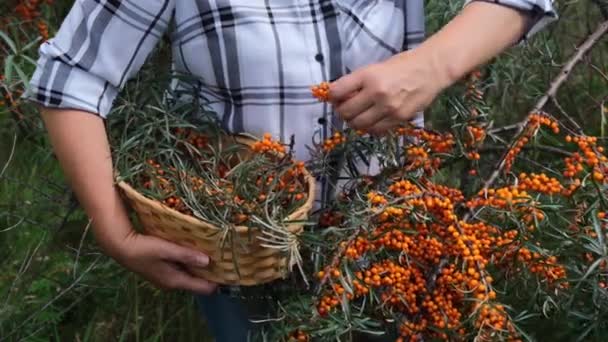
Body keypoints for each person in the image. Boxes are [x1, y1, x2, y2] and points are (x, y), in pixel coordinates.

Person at [24, 0, 557, 340]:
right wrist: (115, 233)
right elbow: (72, 75)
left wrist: (431, 65)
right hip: (245, 263)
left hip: (390, 242)